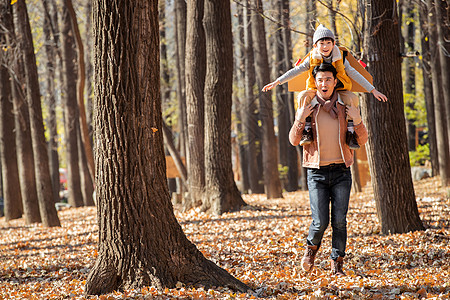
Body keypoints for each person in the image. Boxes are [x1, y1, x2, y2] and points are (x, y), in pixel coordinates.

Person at [289, 63, 368, 276]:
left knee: (339, 221)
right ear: (315, 83)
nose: (324, 84)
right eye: (320, 80)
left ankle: (337, 264)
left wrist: (358, 119)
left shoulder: (346, 105)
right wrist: (300, 118)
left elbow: (362, 139)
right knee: (320, 221)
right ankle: (311, 249)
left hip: (342, 171)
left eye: (328, 80)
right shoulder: (308, 105)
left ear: (335, 82)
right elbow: (294, 140)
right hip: (316, 173)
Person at [263, 24, 386, 149]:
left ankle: (350, 132)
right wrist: (277, 82)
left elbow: (354, 73)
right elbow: (296, 70)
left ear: (334, 44)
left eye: (328, 42)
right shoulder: (311, 58)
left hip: (338, 87)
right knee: (302, 96)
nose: (325, 46)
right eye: (322, 43)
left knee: (352, 98)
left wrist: (372, 89)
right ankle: (307, 130)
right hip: (317, 89)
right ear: (315, 46)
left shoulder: (340, 57)